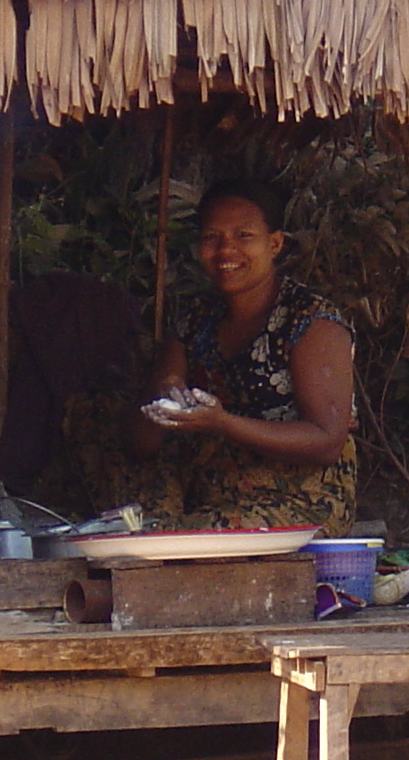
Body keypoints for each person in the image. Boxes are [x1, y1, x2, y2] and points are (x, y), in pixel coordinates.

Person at [121, 178, 358, 534]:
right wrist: (166, 402)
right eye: (211, 237)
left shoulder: (309, 321)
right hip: (209, 495)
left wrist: (223, 423)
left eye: (244, 236)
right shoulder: (196, 322)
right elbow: (141, 442)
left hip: (301, 500)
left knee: (181, 540)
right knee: (140, 530)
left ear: (274, 243)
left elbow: (326, 441)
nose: (226, 250)